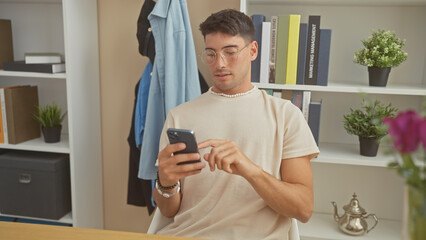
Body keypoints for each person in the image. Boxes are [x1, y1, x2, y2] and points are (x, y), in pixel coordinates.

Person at [152, 9, 319, 239]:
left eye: (230, 52)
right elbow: (168, 210)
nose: (219, 63)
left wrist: (250, 171)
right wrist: (166, 183)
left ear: (252, 51)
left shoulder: (286, 115)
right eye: (211, 54)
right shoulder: (179, 116)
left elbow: (303, 209)